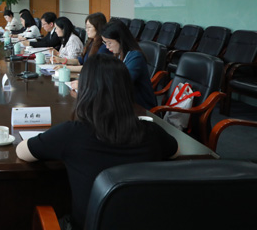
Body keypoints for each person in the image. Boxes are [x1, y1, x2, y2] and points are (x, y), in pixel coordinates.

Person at [16, 54, 178, 230]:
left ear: (85, 90)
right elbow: (175, 151)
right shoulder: (151, 131)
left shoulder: (70, 133)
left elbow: (22, 151)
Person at [101, 19, 156, 110]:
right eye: (105, 42)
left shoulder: (136, 57)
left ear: (121, 40)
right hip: (124, 101)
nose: (107, 47)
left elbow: (122, 82)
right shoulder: (119, 54)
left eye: (109, 42)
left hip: (140, 107)